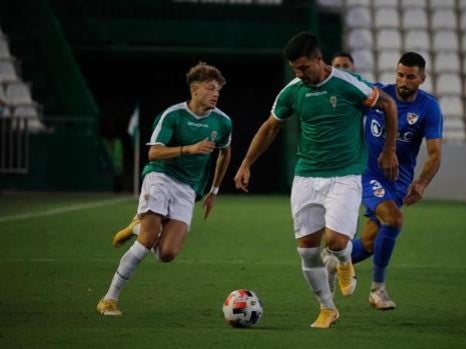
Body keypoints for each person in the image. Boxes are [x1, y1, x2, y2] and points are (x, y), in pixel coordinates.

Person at [233, 31, 399, 328]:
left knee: (335, 242)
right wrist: (246, 163)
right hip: (306, 177)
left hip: (345, 175)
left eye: (303, 67)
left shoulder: (348, 84)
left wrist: (389, 150)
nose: (299, 73)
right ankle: (327, 308)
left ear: (319, 60)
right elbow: (270, 127)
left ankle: (344, 261)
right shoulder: (293, 90)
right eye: (295, 68)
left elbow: (387, 104)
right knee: (307, 251)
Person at [96, 62, 233, 316]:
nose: (216, 94)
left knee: (166, 254)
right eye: (211, 88)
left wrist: (213, 190)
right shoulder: (173, 115)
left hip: (187, 188)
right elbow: (154, 153)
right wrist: (187, 149)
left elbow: (225, 152)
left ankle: (136, 225)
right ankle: (109, 299)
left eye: (219, 90)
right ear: (195, 89)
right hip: (160, 176)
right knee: (148, 239)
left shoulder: (222, 122)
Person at [324, 52, 442, 310]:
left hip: (399, 182)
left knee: (368, 244)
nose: (404, 81)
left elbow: (435, 154)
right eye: (400, 75)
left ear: (422, 78)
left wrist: (421, 184)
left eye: (411, 77)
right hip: (368, 173)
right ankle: (378, 290)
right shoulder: (378, 94)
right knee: (394, 219)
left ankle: (333, 261)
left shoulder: (429, 108)